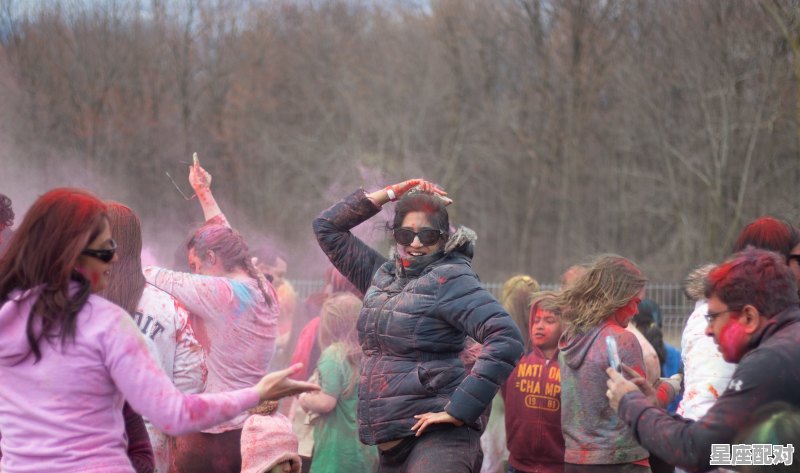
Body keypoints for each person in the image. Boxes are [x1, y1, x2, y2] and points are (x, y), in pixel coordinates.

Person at [0, 188, 318, 473]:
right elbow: (174, 408)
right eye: (103, 249)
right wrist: (256, 393)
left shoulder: (11, 314)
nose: (113, 257)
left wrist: (204, 193)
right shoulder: (117, 321)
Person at [313, 179, 524, 473]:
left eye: (427, 235)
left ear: (443, 239)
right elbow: (326, 228)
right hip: (392, 447)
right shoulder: (382, 277)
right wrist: (391, 193)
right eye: (405, 234)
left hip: (439, 443)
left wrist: (460, 409)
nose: (415, 243)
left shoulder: (450, 278)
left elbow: (506, 337)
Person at [143, 159, 283, 472]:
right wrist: (203, 191)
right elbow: (227, 235)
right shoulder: (260, 286)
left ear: (211, 257)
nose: (195, 273)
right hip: (249, 427)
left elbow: (155, 276)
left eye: (196, 266)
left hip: (214, 437)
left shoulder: (223, 293)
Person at [606, 248, 800, 472]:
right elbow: (779, 455)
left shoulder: (771, 362)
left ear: (749, 317)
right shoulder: (787, 345)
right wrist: (655, 413)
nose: (708, 330)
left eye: (713, 317)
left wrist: (630, 404)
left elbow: (697, 451)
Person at [100, 202, 207, 473]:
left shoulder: (68, 302)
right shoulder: (169, 308)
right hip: (150, 445)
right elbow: (192, 383)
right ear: (135, 245)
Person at [555, 254, 655, 472]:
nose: (637, 311)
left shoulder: (569, 339)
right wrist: (668, 389)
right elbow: (640, 409)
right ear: (618, 296)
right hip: (620, 461)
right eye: (635, 302)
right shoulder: (622, 339)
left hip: (575, 461)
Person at [299, 293, 379, 473]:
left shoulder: (333, 355)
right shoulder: (368, 355)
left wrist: (304, 399)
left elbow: (326, 402)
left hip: (335, 455)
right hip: (364, 453)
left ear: (330, 325)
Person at [481, 274, 539, 473]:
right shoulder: (542, 328)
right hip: (526, 404)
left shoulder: (496, 323)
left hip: (497, 402)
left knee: (494, 458)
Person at [502, 291, 565, 473]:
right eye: (536, 320)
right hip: (518, 464)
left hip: (559, 467)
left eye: (549, 321)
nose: (540, 326)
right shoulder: (517, 363)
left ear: (564, 326)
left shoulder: (571, 368)